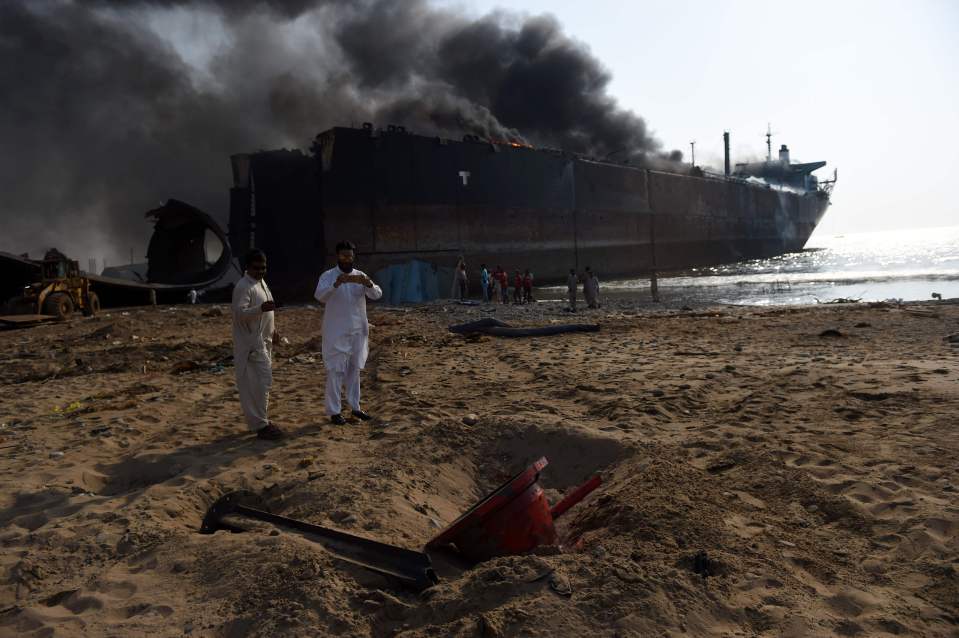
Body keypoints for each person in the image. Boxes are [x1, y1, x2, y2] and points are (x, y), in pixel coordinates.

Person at [314, 241, 383, 424]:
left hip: (358, 331)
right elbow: (320, 297)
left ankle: (355, 408)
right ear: (337, 256)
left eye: (350, 256)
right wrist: (336, 284)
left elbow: (377, 294)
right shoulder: (328, 276)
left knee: (354, 370)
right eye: (344, 255)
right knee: (335, 370)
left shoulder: (360, 275)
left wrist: (368, 284)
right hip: (336, 331)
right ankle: (334, 412)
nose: (347, 259)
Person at [231, 249, 283, 440]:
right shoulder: (244, 286)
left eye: (264, 267)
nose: (261, 271)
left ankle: (262, 421)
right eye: (257, 268)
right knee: (256, 385)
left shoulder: (261, 283)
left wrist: (273, 332)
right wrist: (260, 308)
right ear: (247, 267)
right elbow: (240, 314)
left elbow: (266, 316)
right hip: (251, 346)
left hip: (263, 343)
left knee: (263, 384)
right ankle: (260, 425)